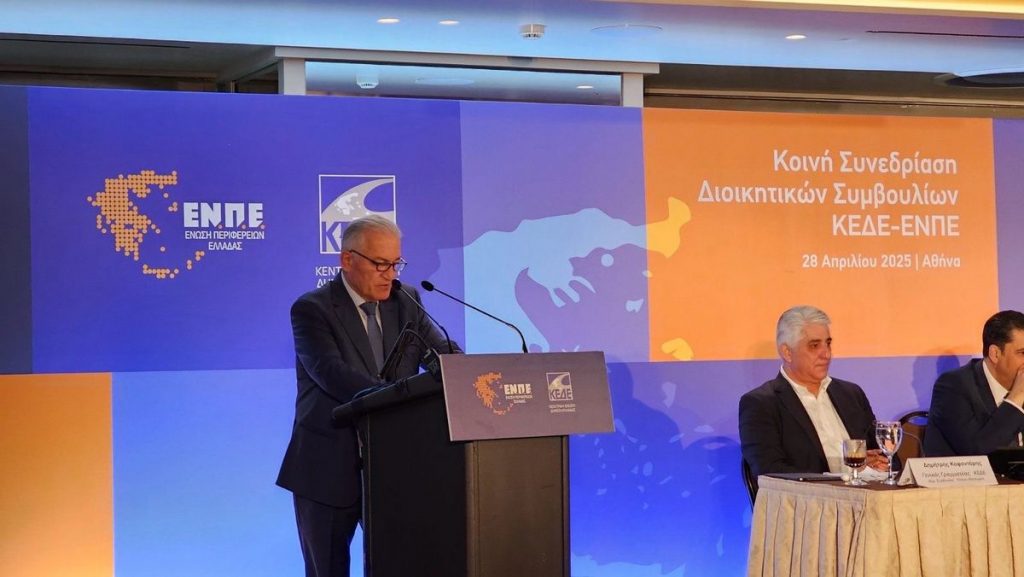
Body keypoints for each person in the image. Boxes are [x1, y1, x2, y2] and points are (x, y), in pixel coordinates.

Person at [276, 215, 459, 577]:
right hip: (327, 468)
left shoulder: (406, 300)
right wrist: (400, 398)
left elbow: (439, 353)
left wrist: (465, 374)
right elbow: (332, 374)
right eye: (380, 264)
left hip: (393, 467)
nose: (390, 274)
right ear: (348, 260)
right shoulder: (312, 309)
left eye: (396, 263)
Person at [739, 305, 887, 478]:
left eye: (828, 343)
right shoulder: (761, 404)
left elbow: (888, 457)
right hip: (807, 496)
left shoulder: (851, 394)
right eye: (814, 345)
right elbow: (770, 472)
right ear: (787, 352)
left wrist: (879, 463)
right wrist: (847, 472)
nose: (826, 354)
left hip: (867, 492)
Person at [925, 310, 1024, 457]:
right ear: (995, 354)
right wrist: (1016, 398)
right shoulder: (953, 387)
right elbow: (977, 451)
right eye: (1022, 353)